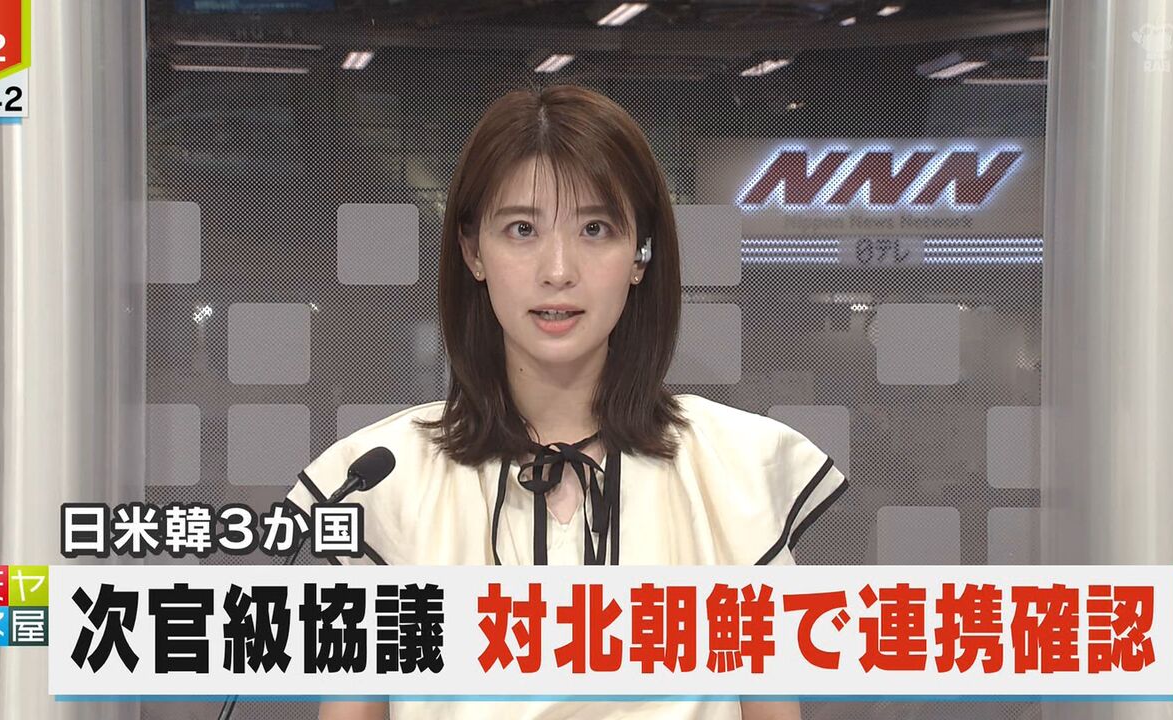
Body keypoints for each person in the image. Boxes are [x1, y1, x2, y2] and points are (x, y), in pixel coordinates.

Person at [285, 84, 848, 720]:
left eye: (595, 229)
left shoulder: (734, 468)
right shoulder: (381, 478)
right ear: (473, 251)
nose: (558, 270)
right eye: (522, 229)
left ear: (640, 255)